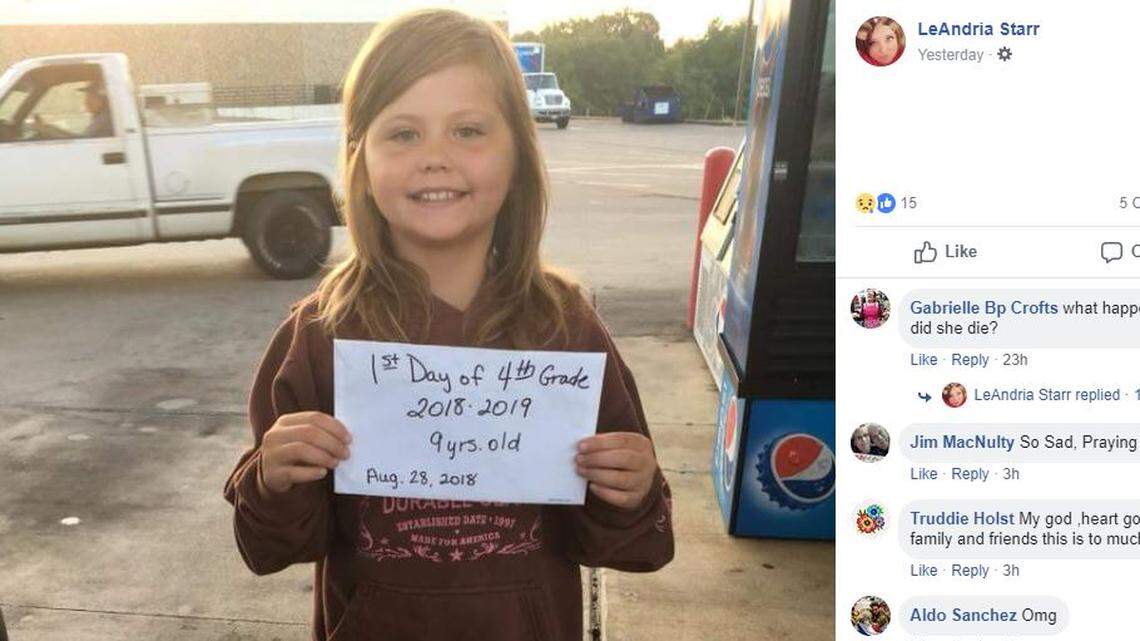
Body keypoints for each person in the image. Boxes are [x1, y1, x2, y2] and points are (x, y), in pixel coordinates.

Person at [223, 9, 673, 641]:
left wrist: (631, 491)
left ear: (517, 152)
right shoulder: (322, 334)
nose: (435, 157)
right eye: (403, 134)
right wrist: (273, 481)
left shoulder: (564, 328)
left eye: (467, 130)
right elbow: (270, 547)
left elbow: (632, 546)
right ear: (361, 161)